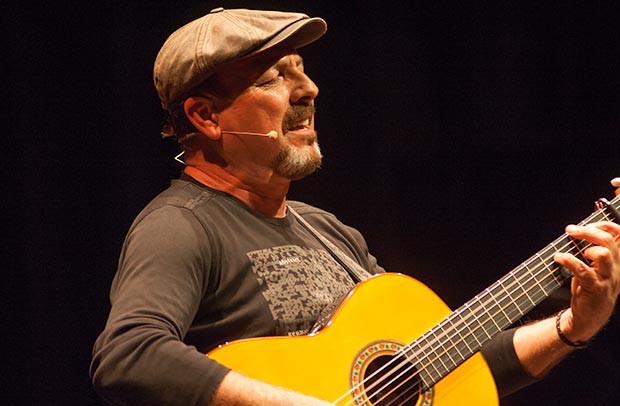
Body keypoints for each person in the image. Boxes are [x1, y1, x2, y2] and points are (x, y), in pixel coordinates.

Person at [90, 7, 620, 406]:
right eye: (274, 77)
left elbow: (444, 368)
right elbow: (128, 355)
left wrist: (571, 325)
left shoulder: (330, 232)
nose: (309, 89)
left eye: (302, 70)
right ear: (206, 117)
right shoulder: (182, 226)